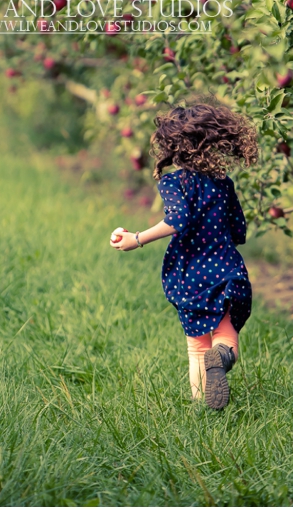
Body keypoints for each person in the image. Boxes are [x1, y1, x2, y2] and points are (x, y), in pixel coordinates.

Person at [110, 100, 258, 410]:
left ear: (172, 148)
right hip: (225, 268)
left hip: (190, 273)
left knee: (196, 347)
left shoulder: (173, 182)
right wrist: (230, 239)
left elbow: (178, 220)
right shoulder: (222, 183)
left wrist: (136, 238)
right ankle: (223, 357)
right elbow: (238, 227)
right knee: (224, 334)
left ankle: (200, 406)